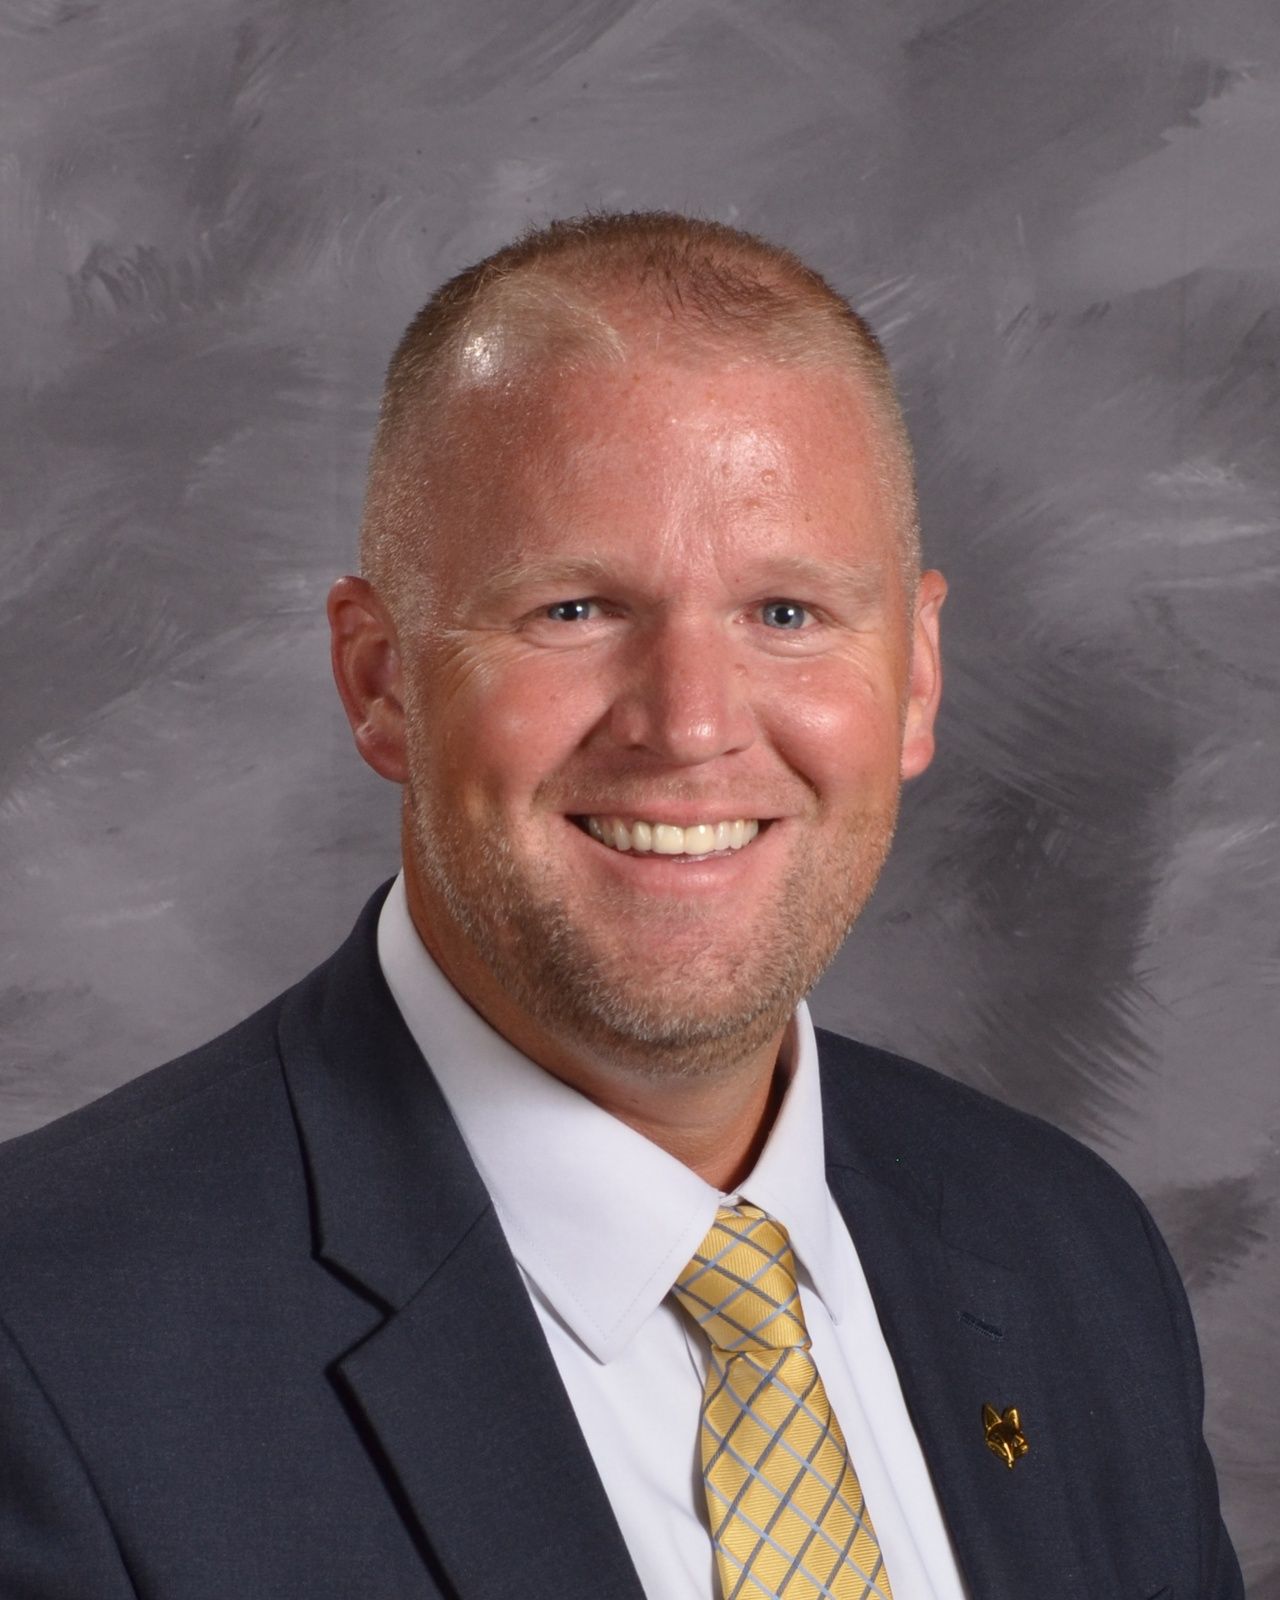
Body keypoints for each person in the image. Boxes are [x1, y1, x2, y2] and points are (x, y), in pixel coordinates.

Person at [0, 212, 1241, 1600]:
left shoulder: (1065, 1254)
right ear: (380, 679)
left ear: (918, 673)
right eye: (575, 610)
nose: (690, 725)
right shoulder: (49, 1348)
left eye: (786, 613)